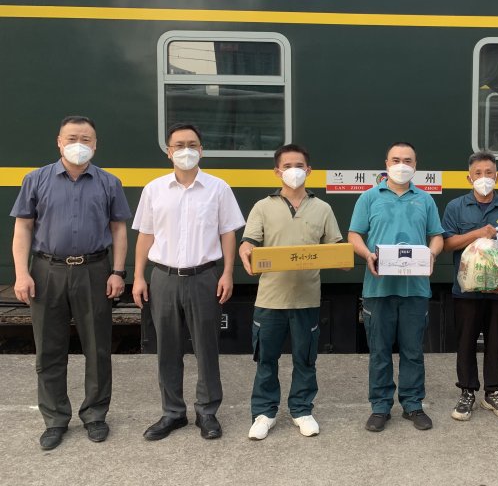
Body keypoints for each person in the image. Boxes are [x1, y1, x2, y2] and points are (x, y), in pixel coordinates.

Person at [10, 116, 131, 450]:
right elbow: (23, 227)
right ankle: (55, 419)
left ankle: (95, 415)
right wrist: (21, 273)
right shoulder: (36, 179)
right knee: (49, 348)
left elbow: (119, 229)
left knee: (98, 347)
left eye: (86, 139)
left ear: (96, 144)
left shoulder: (109, 183)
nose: (80, 144)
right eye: (72, 138)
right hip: (47, 270)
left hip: (95, 269)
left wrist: (117, 271)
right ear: (59, 142)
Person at [132, 123, 244, 441]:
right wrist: (138, 276)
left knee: (206, 347)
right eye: (179, 145)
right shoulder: (154, 189)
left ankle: (207, 412)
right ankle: (172, 412)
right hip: (163, 277)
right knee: (167, 348)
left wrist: (227, 272)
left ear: (201, 150)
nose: (186, 150)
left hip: (204, 276)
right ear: (168, 151)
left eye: (192, 144)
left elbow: (227, 233)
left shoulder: (218, 188)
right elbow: (145, 235)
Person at [239, 144, 344, 440]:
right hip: (270, 299)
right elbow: (249, 242)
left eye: (299, 166)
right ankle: (264, 413)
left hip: (307, 299)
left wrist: (342, 257)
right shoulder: (263, 206)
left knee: (305, 360)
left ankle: (302, 410)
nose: (293, 171)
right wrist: (246, 251)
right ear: (277, 171)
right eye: (287, 166)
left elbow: (335, 245)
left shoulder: (322, 208)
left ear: (309, 171)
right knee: (265, 360)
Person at [348, 142, 444, 432]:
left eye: (408, 160)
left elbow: (437, 236)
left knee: (412, 351)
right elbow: (354, 235)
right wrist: (367, 255)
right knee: (379, 351)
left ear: (416, 165)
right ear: (386, 164)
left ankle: (413, 405)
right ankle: (380, 407)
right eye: (396, 159)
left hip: (415, 288)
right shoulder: (369, 198)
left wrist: (432, 253)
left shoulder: (425, 199)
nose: (402, 165)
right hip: (378, 288)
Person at [441, 151, 498, 422]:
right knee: (465, 341)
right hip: (466, 290)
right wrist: (478, 234)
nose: (484, 178)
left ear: (497, 176)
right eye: (478, 173)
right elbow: (447, 244)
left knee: (496, 342)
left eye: (489, 173)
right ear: (469, 178)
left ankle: (493, 392)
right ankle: (467, 391)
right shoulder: (456, 207)